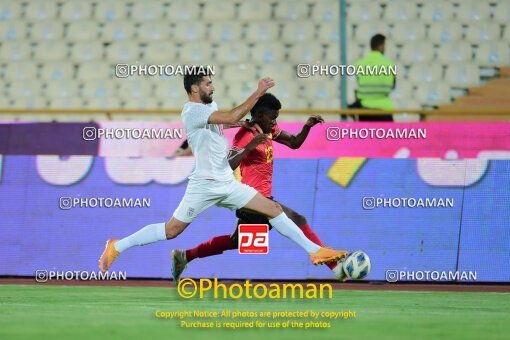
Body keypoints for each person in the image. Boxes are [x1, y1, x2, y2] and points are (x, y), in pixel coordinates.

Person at [98, 68, 348, 274]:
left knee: (273, 209)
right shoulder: (191, 110)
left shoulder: (208, 106)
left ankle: (316, 252)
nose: (212, 87)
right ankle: (117, 245)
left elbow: (226, 121)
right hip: (204, 184)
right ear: (194, 88)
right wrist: (258, 92)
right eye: (208, 84)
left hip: (227, 183)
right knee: (171, 230)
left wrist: (237, 122)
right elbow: (230, 115)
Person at [171, 93, 347, 282]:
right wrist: (249, 147)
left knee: (236, 241)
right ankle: (334, 266)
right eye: (272, 117)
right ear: (260, 114)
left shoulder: (269, 129)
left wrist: (307, 127)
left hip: (262, 199)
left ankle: (184, 256)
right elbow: (227, 165)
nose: (275, 122)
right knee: (297, 218)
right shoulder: (245, 135)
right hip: (251, 199)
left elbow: (294, 143)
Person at [350, 33, 396, 121]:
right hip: (384, 109)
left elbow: (359, 82)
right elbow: (393, 86)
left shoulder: (360, 64)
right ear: (381, 46)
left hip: (365, 110)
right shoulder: (389, 65)